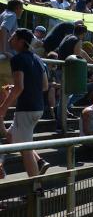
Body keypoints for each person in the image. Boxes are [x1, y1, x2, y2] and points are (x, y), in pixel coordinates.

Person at [0, 29, 51, 178]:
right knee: (11, 137)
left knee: (26, 150)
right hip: (37, 107)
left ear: (21, 41)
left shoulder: (17, 59)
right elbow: (44, 86)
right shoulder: (38, 59)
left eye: (13, 36)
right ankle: (38, 164)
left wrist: (3, 108)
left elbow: (19, 87)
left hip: (26, 109)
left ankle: (36, 189)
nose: (10, 38)